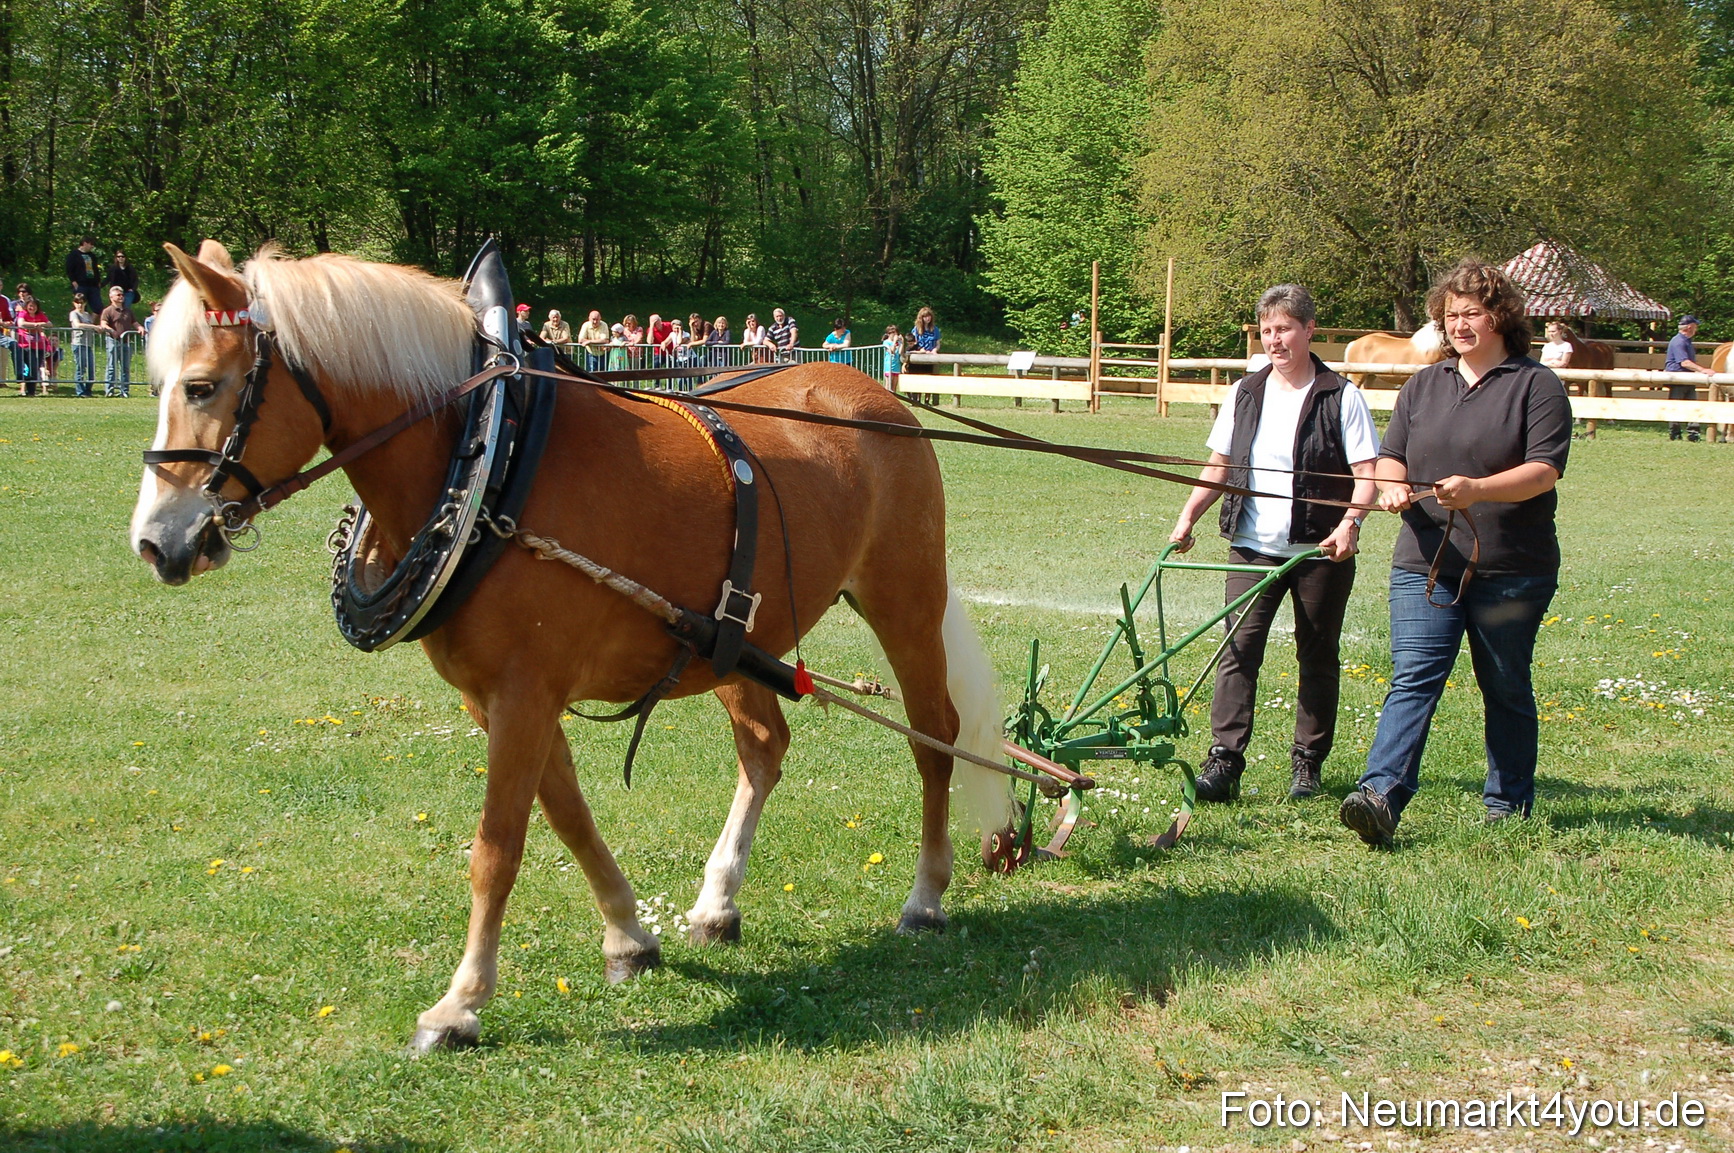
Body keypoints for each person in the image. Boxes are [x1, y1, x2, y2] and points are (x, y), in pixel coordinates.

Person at [1339, 259, 1572, 849]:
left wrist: (1476, 489)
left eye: (1472, 313)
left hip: (1512, 566)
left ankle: (1507, 804)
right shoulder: (1425, 383)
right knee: (1414, 676)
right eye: (1451, 316)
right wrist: (1392, 483)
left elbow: (1544, 471)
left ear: (1501, 317)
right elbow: (1393, 451)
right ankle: (1380, 796)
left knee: (1505, 682)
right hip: (1425, 560)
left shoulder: (1535, 384)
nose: (1460, 325)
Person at [1168, 285, 1379, 802]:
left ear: (1309, 330)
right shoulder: (1245, 392)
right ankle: (1223, 763)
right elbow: (1219, 465)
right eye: (1266, 330)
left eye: (1284, 328)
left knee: (1317, 655)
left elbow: (1367, 475)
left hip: (1318, 551)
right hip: (1252, 546)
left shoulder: (1341, 396)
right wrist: (1188, 516)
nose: (1274, 340)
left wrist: (1350, 523)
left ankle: (1307, 765)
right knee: (1237, 651)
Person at [1664, 315, 1713, 442]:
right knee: (1676, 406)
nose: (1696, 329)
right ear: (1690, 327)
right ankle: (1675, 433)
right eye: (1695, 326)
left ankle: (1693, 434)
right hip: (1679, 379)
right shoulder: (1679, 341)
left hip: (1687, 378)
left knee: (1692, 405)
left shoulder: (1685, 341)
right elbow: (1684, 362)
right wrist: (1703, 370)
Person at [100, 284, 141, 397]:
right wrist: (111, 330)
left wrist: (140, 327)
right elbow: (103, 324)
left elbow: (134, 322)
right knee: (111, 367)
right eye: (118, 295)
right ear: (111, 297)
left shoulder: (128, 311)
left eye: (122, 295)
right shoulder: (107, 311)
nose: (121, 297)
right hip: (112, 341)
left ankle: (125, 391)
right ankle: (109, 390)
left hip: (126, 342)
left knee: (125, 368)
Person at [14, 290, 52, 395]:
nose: (32, 308)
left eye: (34, 306)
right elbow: (21, 323)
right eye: (30, 305)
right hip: (25, 345)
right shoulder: (23, 313)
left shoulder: (40, 314)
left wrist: (39, 323)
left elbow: (49, 324)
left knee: (35, 368)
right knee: (31, 366)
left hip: (38, 346)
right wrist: (34, 325)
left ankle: (31, 391)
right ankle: (28, 389)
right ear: (27, 306)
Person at [69, 292, 101, 398]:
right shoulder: (73, 314)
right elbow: (77, 324)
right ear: (74, 303)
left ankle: (88, 390)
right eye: (77, 302)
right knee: (80, 368)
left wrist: (96, 328)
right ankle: (80, 391)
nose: (80, 305)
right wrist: (93, 326)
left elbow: (90, 327)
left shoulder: (87, 315)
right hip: (78, 343)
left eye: (82, 303)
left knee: (91, 369)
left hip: (88, 344)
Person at [65, 236, 101, 305]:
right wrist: (74, 282)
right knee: (81, 306)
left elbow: (96, 269)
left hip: (93, 285)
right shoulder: (73, 255)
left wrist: (98, 281)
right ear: (85, 243)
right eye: (91, 244)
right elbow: (69, 269)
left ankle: (91, 316)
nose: (92, 246)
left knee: (98, 308)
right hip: (81, 285)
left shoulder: (92, 256)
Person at [882, 324, 905, 391]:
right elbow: (891, 351)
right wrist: (894, 342)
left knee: (894, 387)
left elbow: (900, 352)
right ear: (889, 334)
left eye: (896, 333)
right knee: (888, 386)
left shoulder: (899, 342)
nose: (895, 335)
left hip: (897, 366)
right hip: (889, 366)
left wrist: (902, 343)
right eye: (893, 333)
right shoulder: (886, 342)